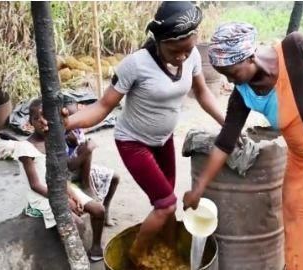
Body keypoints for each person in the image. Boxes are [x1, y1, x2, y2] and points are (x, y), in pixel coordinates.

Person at [183, 23, 303, 270]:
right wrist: (198, 188)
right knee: (300, 232)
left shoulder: (296, 49)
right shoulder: (243, 93)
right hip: (301, 166)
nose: (229, 80)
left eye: (231, 72)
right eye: (223, 74)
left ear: (250, 56)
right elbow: (225, 142)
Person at [59, 1, 225, 264]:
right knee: (167, 203)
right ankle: (135, 258)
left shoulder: (191, 57)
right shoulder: (135, 65)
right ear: (158, 41)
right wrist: (67, 123)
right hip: (133, 143)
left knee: (165, 204)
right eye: (175, 50)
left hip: (163, 140)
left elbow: (203, 93)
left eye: (187, 49)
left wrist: (226, 123)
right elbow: (103, 107)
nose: (182, 56)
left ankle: (168, 250)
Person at [14, 99, 106, 262]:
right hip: (42, 195)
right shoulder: (25, 148)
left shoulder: (54, 141)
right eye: (37, 118)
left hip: (60, 188)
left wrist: (73, 195)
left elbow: (61, 174)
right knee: (78, 224)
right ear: (30, 122)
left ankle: (96, 248)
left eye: (46, 117)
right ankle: (73, 260)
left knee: (99, 210)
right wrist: (64, 200)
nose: (43, 122)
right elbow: (35, 185)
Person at [64, 100, 120, 226]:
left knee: (115, 177)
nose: (75, 121)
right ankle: (86, 184)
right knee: (88, 147)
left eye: (77, 116)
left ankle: (106, 210)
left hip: (84, 167)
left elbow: (83, 152)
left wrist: (79, 145)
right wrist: (86, 150)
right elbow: (70, 166)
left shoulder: (78, 130)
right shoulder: (62, 137)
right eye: (71, 117)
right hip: (71, 172)